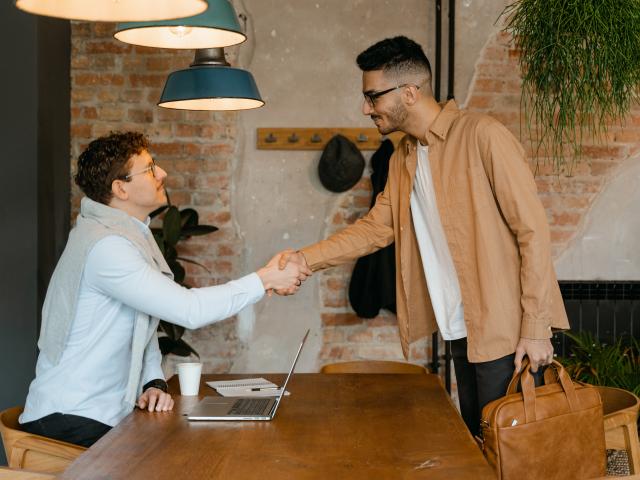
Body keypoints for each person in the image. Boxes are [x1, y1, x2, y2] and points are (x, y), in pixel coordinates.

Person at [278, 36, 569, 437]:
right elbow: (375, 228)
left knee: (515, 455)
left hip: (506, 333)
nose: (366, 108)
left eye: (373, 96)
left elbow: (533, 232)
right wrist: (304, 259)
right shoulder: (404, 158)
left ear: (409, 93)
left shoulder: (483, 135)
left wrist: (536, 328)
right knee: (480, 446)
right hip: (460, 329)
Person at [19, 131, 310, 447]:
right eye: (149, 168)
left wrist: (153, 382)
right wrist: (265, 278)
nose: (162, 174)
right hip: (71, 420)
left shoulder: (122, 236)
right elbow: (189, 309)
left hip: (94, 416)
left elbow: (141, 321)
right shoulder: (106, 247)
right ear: (121, 188)